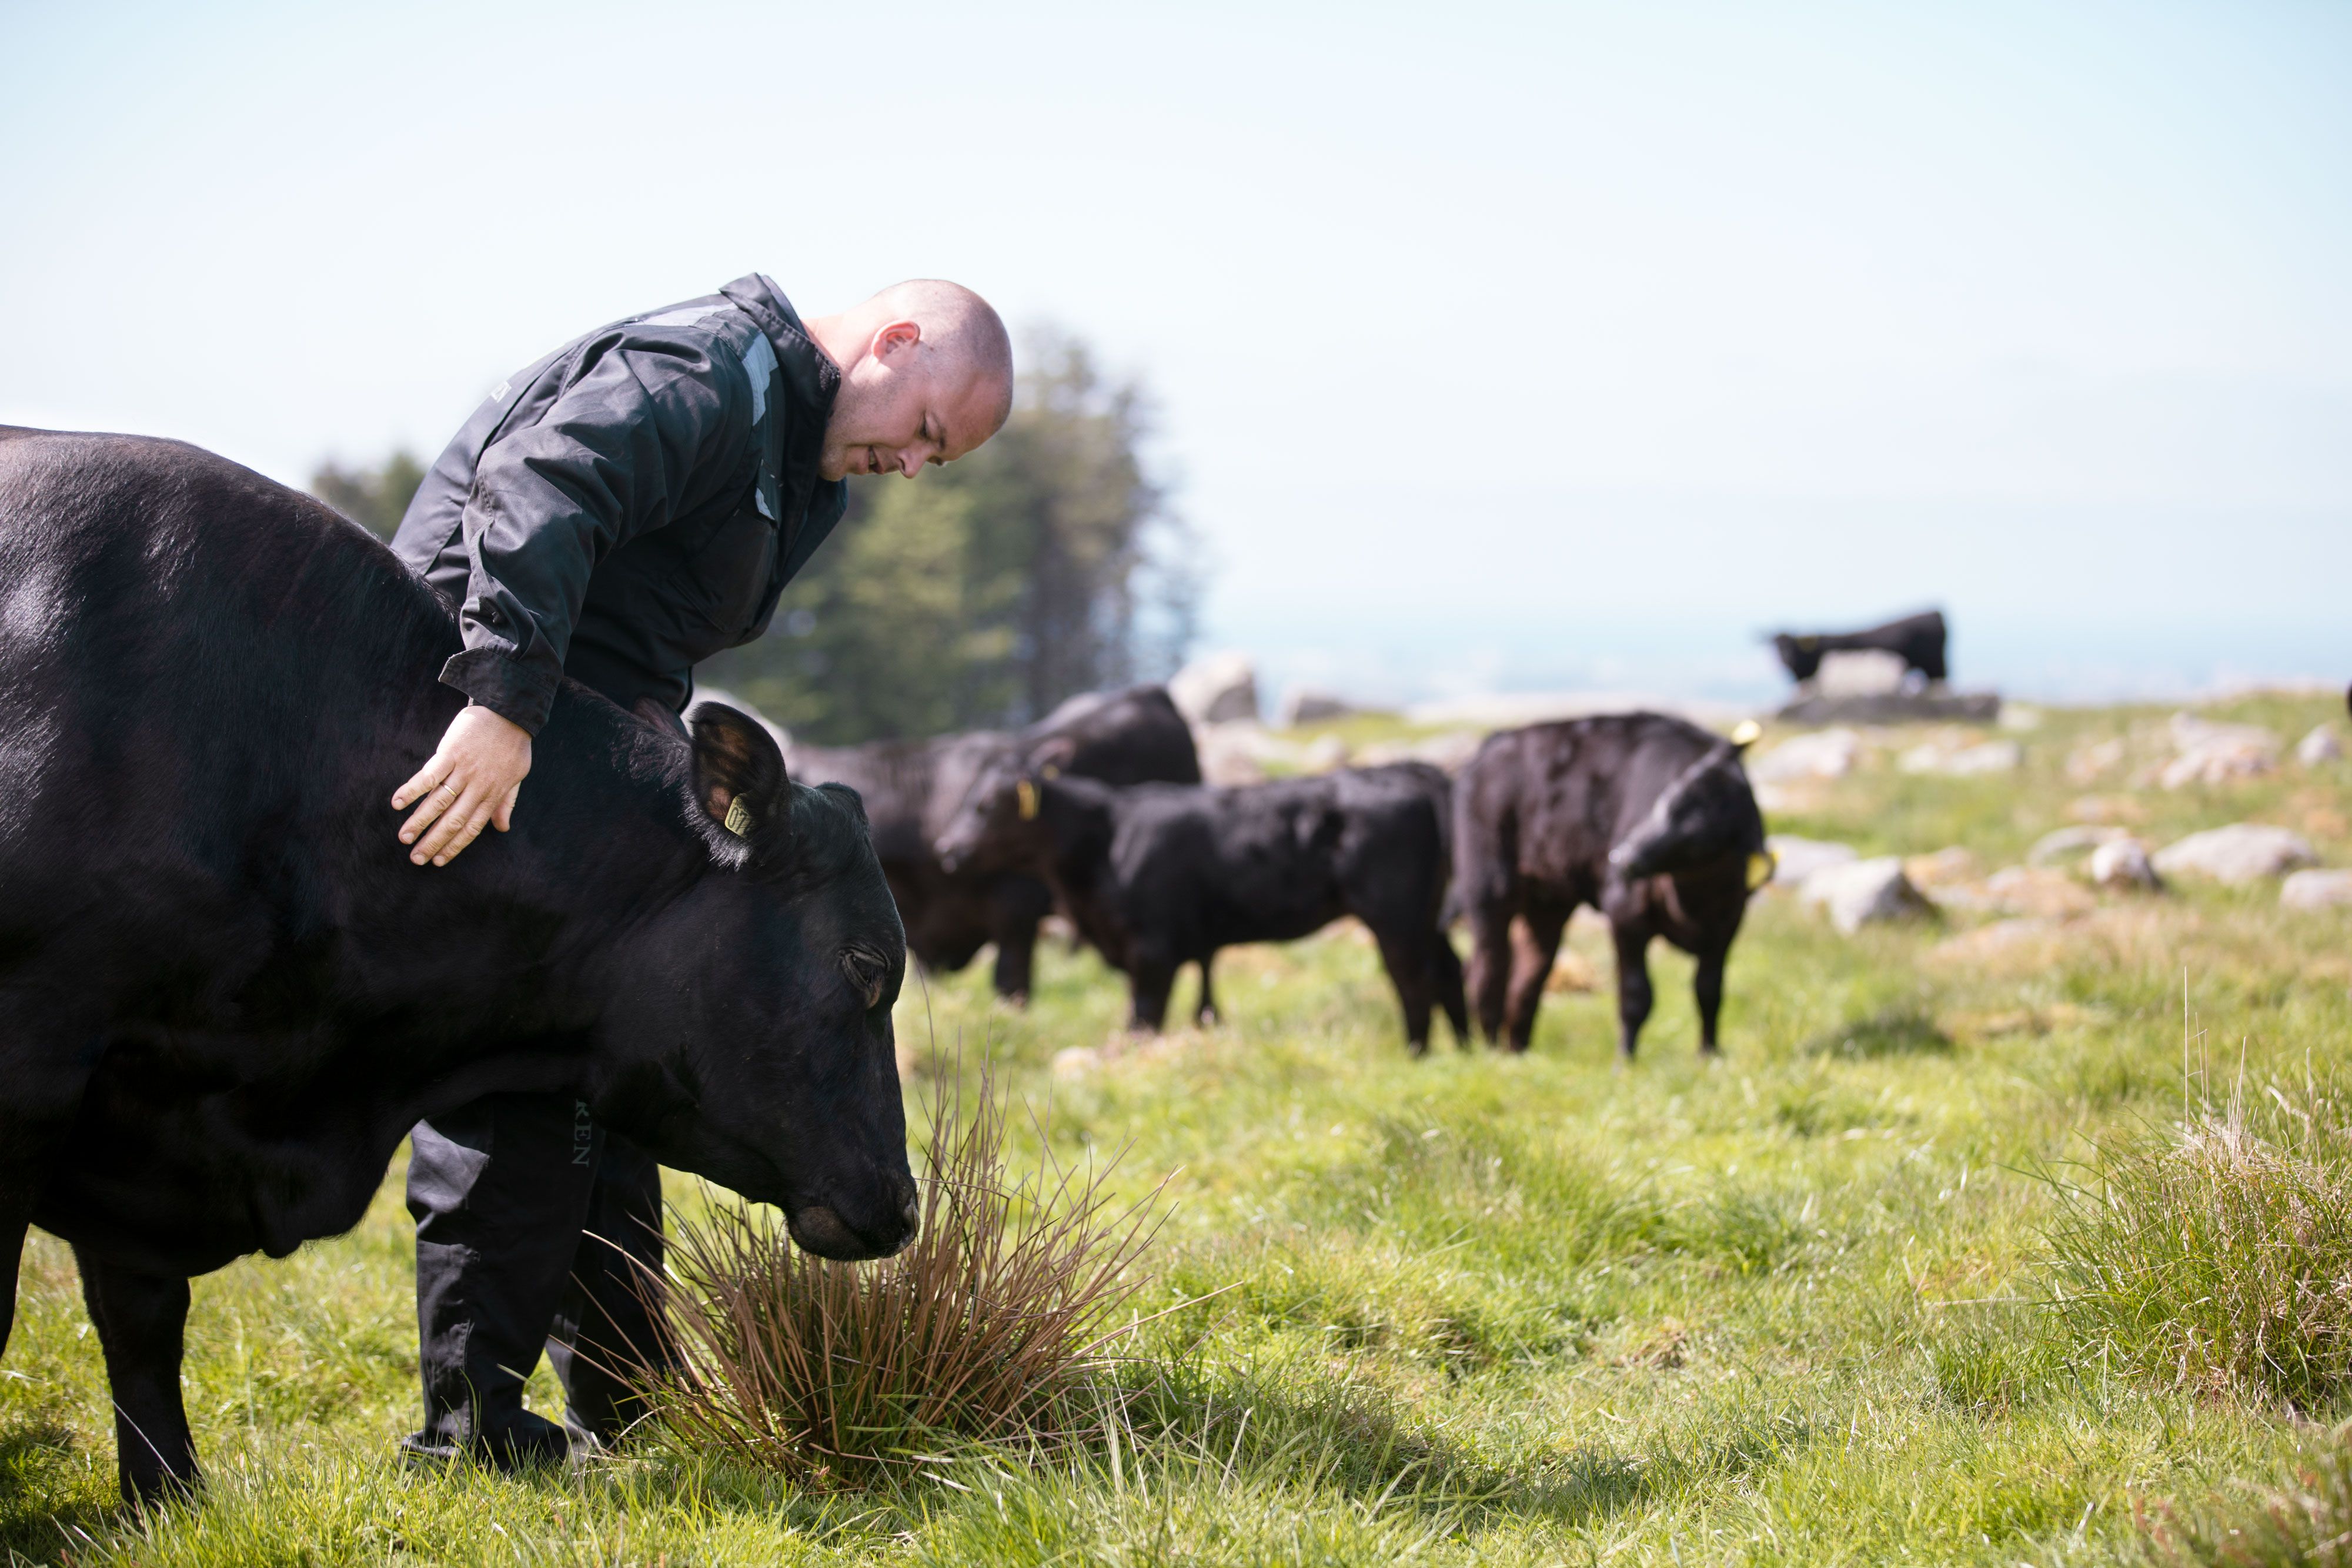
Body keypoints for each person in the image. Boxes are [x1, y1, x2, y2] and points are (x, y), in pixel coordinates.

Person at [385, 273, 1013, 1467]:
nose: (918, 467)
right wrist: (503, 705)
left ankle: (620, 1403)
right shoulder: (712, 375)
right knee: (524, 1068)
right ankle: (467, 1429)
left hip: (576, 754)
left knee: (614, 1064)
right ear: (891, 341)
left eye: (943, 460)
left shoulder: (802, 459)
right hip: (475, 734)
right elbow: (539, 482)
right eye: (927, 430)